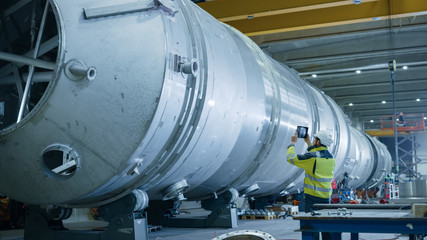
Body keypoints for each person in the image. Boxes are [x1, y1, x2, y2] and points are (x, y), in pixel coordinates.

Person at [287, 129, 335, 240]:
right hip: (326, 198)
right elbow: (316, 155)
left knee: (313, 227)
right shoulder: (331, 158)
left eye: (315, 139)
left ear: (318, 142)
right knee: (325, 227)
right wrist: (308, 142)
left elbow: (290, 159)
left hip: (312, 198)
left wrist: (292, 144)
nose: (313, 140)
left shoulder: (312, 158)